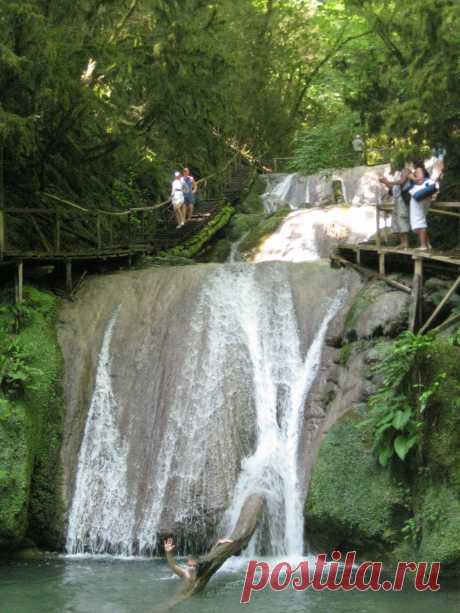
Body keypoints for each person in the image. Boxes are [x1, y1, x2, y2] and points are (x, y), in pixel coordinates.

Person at [163, 536, 234, 590]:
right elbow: (173, 565)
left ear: (197, 566)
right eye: (190, 566)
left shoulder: (201, 572)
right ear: (187, 565)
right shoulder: (185, 574)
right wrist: (168, 553)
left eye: (194, 566)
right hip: (184, 593)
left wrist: (218, 543)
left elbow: (211, 556)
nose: (192, 568)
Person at [379, 155, 411, 249]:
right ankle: (402, 242)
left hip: (403, 199)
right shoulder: (397, 173)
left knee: (402, 218)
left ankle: (406, 242)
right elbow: (393, 189)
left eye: (394, 163)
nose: (393, 165)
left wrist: (388, 181)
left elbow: (401, 182)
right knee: (396, 220)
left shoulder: (406, 170)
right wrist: (385, 182)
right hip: (397, 199)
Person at [407, 161, 437, 251]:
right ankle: (427, 244)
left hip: (420, 197)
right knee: (420, 220)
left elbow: (420, 180)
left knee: (419, 221)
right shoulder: (421, 171)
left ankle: (423, 245)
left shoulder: (418, 169)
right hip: (423, 197)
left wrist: (413, 178)